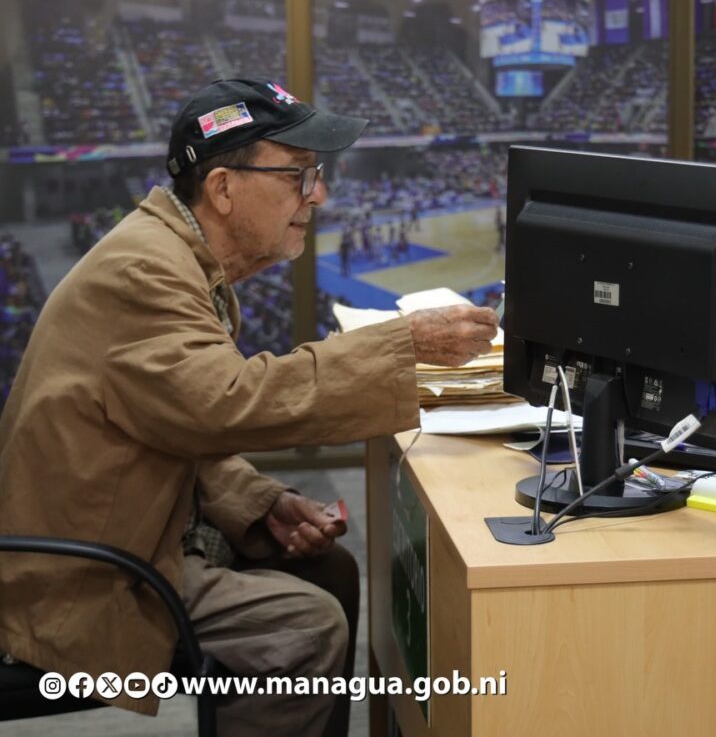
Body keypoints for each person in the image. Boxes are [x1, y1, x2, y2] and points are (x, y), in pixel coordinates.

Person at [0, 78, 499, 736]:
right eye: (298, 175)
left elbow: (165, 424)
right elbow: (227, 403)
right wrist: (402, 344)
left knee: (329, 569)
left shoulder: (170, 255)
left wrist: (257, 500)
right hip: (85, 574)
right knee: (303, 627)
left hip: (130, 535)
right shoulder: (143, 272)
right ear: (223, 188)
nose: (318, 195)